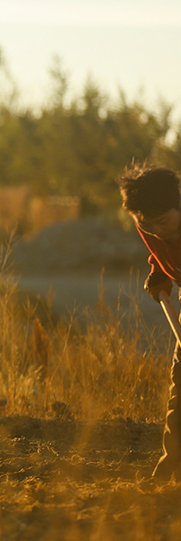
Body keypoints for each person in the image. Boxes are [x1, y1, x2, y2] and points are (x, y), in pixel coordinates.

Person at [117, 163, 181, 480]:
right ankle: (171, 467)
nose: (158, 230)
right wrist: (158, 273)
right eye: (148, 224)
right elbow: (160, 250)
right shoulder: (150, 223)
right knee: (180, 388)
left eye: (165, 221)